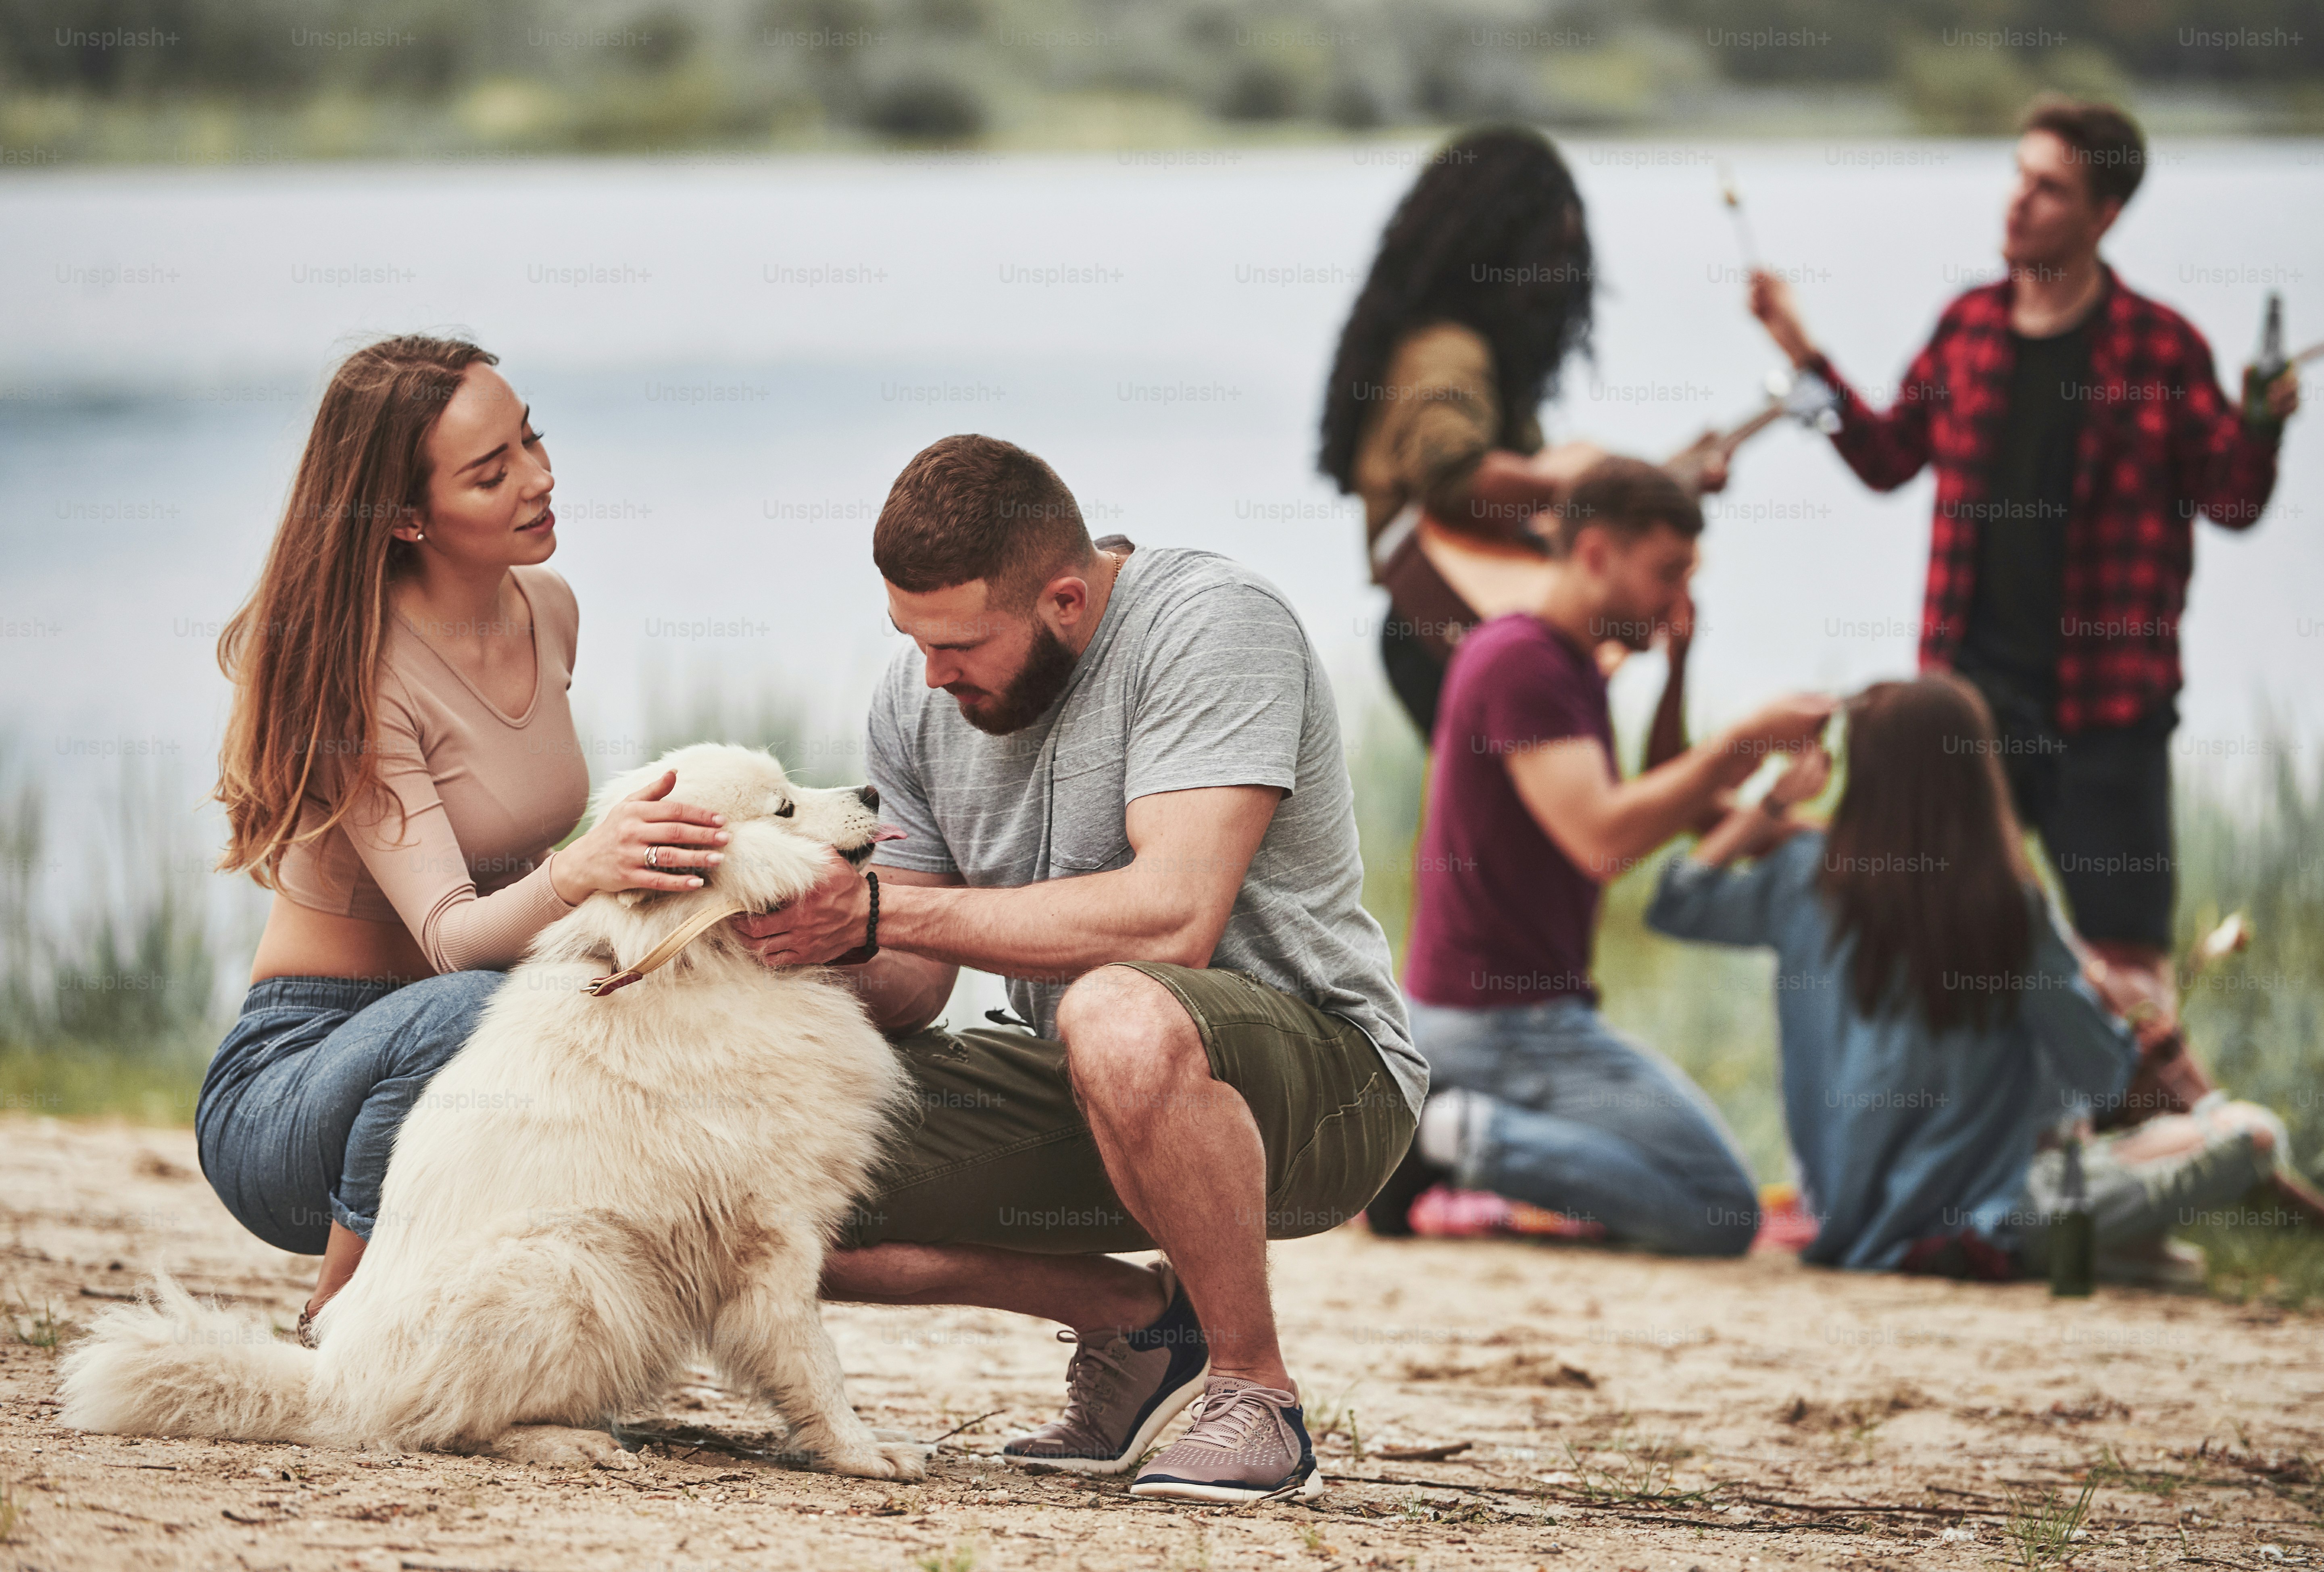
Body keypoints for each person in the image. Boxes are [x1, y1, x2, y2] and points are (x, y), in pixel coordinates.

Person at [728, 434, 1421, 1503]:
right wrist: (778, 936)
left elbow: (1172, 919)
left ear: (1063, 599)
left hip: (1322, 1085)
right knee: (760, 1185)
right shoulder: (921, 699)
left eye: (959, 643)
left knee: (1121, 1009)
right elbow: (909, 975)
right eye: (911, 639)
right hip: (1080, 1075)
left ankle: (1256, 1394)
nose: (932, 673)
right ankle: (1143, 1326)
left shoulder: (1213, 625)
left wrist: (875, 907)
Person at [202, 336, 734, 1340]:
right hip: (296, 1095)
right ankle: (340, 1313)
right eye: (492, 473)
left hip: (462, 1068)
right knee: (480, 1007)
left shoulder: (549, 610)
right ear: (404, 516)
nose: (538, 479)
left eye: (531, 438)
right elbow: (449, 941)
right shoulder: (357, 674)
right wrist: (582, 870)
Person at [1747, 95, 2302, 1053]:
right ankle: (1996, 1169)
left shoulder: (2159, 347)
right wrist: (1800, 353)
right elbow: (1884, 457)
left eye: (2048, 189)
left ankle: (2142, 1154)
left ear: (2103, 215)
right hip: (1968, 707)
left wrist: (2260, 424)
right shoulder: (1965, 327)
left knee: (2126, 968)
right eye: (2017, 177)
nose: (2016, 204)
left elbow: (2231, 501)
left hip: (2109, 710)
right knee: (1950, 944)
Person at [1645, 674, 2286, 1283]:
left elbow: (1675, 901)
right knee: (2251, 1135)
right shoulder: (2006, 904)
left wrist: (1774, 803)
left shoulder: (1805, 877)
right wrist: (2122, 1012)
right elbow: (2101, 1077)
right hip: (1996, 1218)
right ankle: (2105, 1246)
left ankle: (2115, 1248)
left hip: (1844, 1220)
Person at [1369, 456, 1833, 1253]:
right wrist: (1745, 741)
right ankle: (1446, 1133)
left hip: (1499, 1015)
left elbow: (1659, 795)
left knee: (1709, 1202)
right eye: (1666, 574)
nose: (1678, 600)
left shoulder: (1561, 663)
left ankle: (1458, 1132)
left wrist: (1773, 805)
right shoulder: (1525, 664)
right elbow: (1604, 840)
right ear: (1592, 556)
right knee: (1721, 1209)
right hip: (1505, 1022)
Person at [1316, 125, 1727, 742]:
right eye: (1548, 254)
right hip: (1446, 623)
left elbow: (1528, 506)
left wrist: (1657, 485)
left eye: (1568, 257)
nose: (1559, 275)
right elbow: (1453, 474)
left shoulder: (1472, 356)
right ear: (1494, 247)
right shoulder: (1447, 352)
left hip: (1446, 625)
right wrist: (1592, 484)